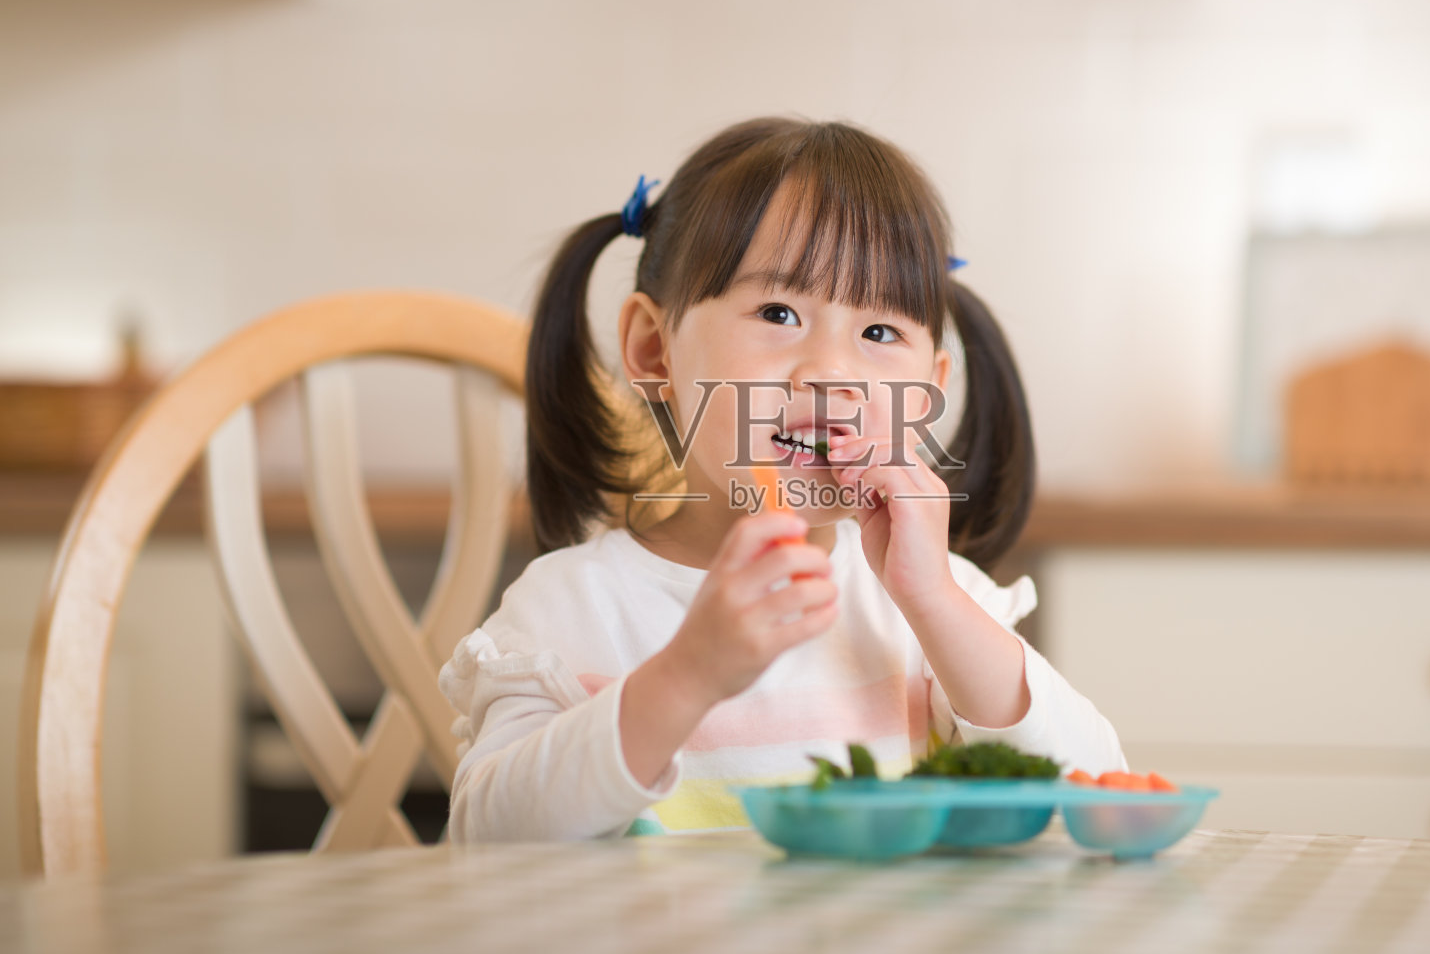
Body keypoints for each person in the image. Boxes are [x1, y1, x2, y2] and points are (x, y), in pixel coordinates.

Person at [440, 117, 1126, 841]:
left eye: (879, 333)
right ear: (653, 349)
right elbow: (485, 842)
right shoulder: (572, 609)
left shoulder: (936, 611)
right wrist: (684, 676)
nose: (831, 370)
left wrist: (935, 602)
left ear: (929, 390)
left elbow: (1093, 793)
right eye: (778, 312)